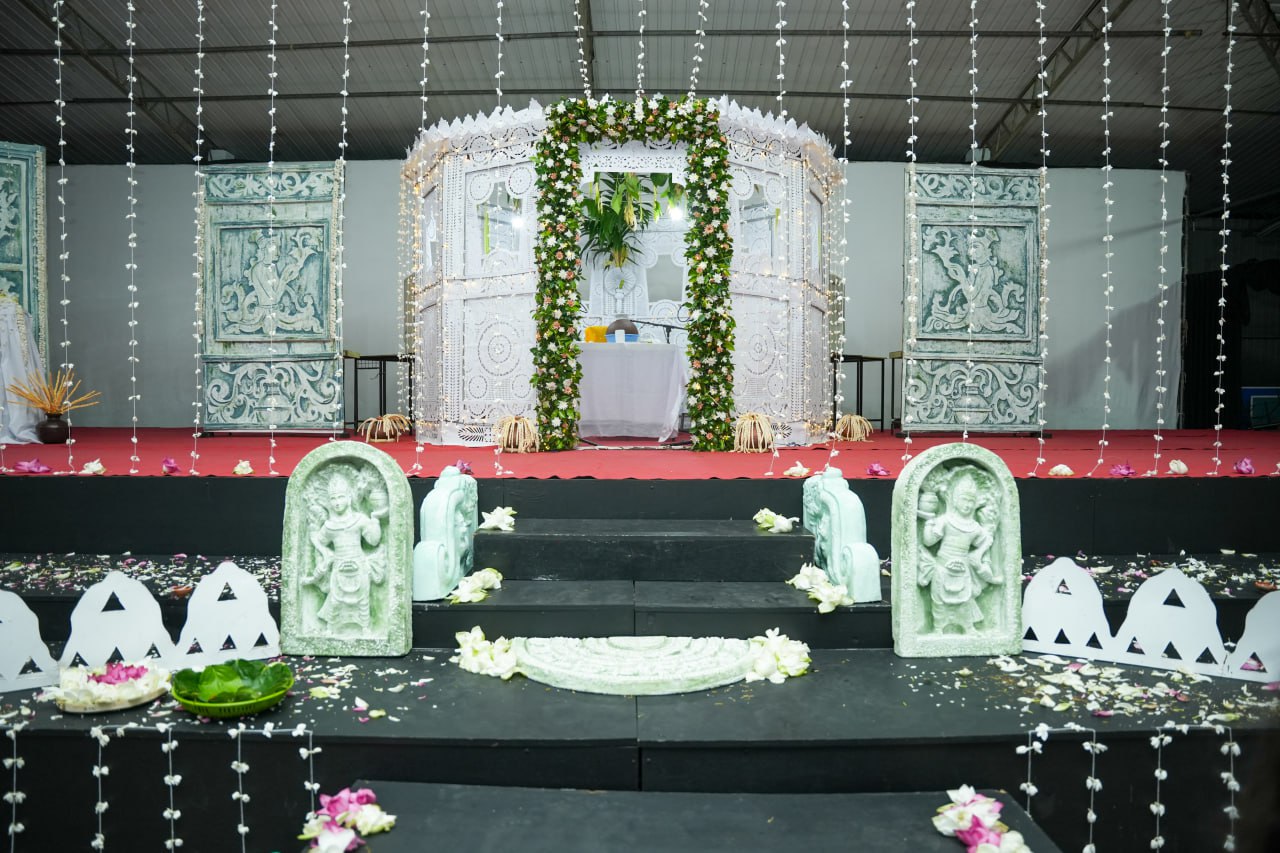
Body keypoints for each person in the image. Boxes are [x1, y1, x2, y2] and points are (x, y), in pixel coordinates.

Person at [917, 468, 1000, 633]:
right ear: (955, 499)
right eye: (964, 500)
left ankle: (969, 628)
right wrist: (929, 523)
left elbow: (986, 541)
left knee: (965, 600)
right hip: (942, 566)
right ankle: (938, 628)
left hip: (963, 568)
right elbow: (928, 541)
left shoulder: (974, 527)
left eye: (971, 501)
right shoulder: (945, 520)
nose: (968, 505)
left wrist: (983, 555)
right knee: (939, 600)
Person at [308, 471, 386, 636]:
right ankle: (330, 628)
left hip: (359, 565)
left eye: (341, 497)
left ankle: (365, 628)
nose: (337, 502)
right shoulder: (330, 526)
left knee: (363, 600)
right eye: (333, 499)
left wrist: (375, 519)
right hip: (339, 567)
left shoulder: (359, 520)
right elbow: (318, 540)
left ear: (349, 498)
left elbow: (373, 541)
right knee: (335, 600)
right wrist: (326, 554)